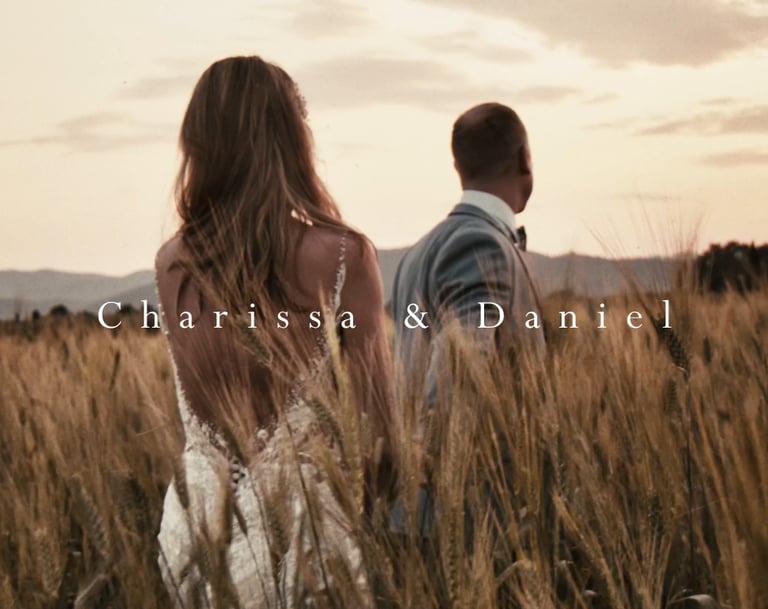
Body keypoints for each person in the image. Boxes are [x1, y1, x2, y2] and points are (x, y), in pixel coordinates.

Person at [154, 55, 395, 609]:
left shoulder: (171, 264)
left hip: (198, 546)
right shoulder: (343, 256)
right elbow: (381, 440)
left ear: (199, 145)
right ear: (292, 139)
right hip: (310, 552)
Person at [389, 103, 546, 586]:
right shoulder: (480, 245)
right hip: (468, 522)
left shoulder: (418, 252)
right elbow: (459, 373)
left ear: (458, 166)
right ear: (524, 159)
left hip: (417, 515)